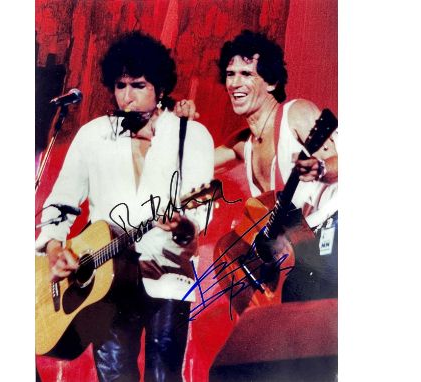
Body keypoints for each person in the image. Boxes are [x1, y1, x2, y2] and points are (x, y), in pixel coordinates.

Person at [35, 31, 214, 382]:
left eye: (138, 85)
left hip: (167, 278)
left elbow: (199, 215)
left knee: (165, 376)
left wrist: (182, 226)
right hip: (106, 285)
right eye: (120, 86)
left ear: (160, 88)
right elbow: (59, 206)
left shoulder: (191, 136)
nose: (127, 97)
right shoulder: (93, 135)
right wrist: (56, 248)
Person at [181, 30, 338, 300]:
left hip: (334, 230)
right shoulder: (244, 144)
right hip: (301, 253)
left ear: (272, 82)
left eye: (246, 74)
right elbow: (189, 162)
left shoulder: (296, 114)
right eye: (230, 74)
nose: (234, 83)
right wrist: (179, 126)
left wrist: (321, 169)